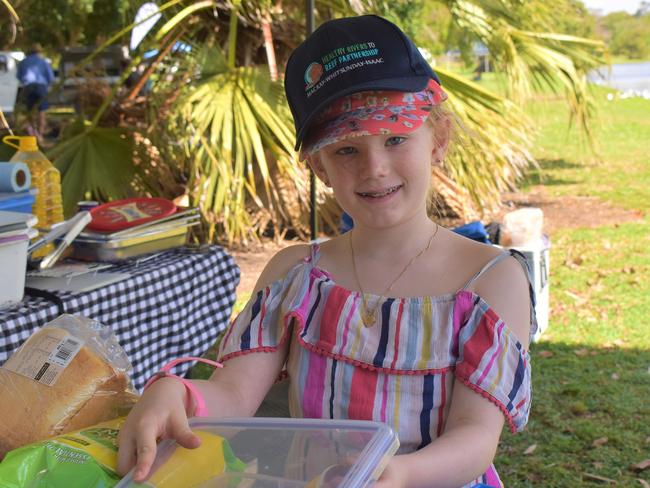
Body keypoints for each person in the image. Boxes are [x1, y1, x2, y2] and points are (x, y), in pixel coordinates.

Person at [117, 15, 536, 488]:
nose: (374, 168)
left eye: (395, 139)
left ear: (437, 140)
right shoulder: (295, 273)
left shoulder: (490, 280)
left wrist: (397, 474)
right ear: (317, 164)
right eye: (346, 150)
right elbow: (234, 395)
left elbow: (476, 436)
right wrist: (179, 394)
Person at [16, 43, 54, 138]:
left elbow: (18, 76)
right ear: (39, 52)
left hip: (28, 86)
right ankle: (40, 134)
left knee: (30, 111)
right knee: (42, 111)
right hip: (41, 86)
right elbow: (51, 77)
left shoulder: (24, 62)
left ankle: (32, 133)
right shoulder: (43, 61)